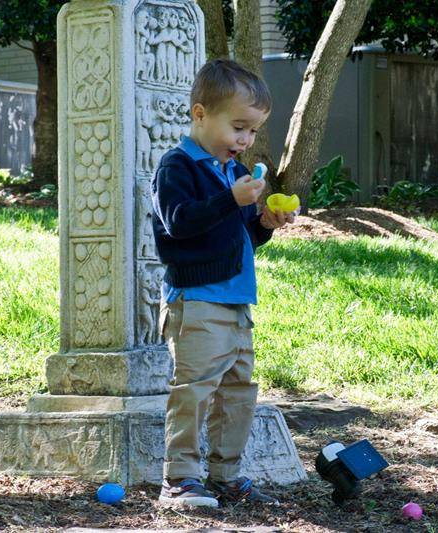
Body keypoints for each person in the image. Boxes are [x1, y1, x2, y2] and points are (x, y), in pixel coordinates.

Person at [152, 59, 296, 508]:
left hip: (236, 303)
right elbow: (179, 223)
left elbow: (237, 240)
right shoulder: (178, 167)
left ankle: (225, 475)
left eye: (252, 132)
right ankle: (179, 477)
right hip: (196, 302)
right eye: (238, 127)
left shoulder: (233, 174)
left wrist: (265, 224)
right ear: (200, 114)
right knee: (194, 390)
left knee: (237, 392)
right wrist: (228, 199)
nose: (246, 140)